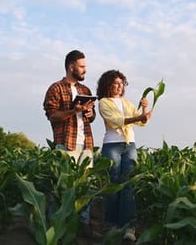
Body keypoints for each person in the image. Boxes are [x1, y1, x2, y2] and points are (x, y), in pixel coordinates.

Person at [43, 49, 101, 239]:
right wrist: (73, 110)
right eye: (82, 66)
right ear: (71, 67)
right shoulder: (55, 88)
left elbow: (89, 119)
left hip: (86, 144)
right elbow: (53, 117)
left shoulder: (86, 91)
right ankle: (56, 226)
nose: (85, 70)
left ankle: (83, 224)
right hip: (65, 144)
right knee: (61, 187)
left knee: (85, 186)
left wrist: (89, 113)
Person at [96, 69, 153, 242]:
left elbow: (140, 122)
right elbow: (115, 121)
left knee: (129, 184)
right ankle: (112, 225)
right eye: (116, 83)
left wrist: (144, 110)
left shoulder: (127, 103)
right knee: (114, 184)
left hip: (130, 145)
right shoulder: (104, 102)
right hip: (112, 145)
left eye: (122, 83)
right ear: (108, 85)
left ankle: (129, 226)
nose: (120, 86)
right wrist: (138, 117)